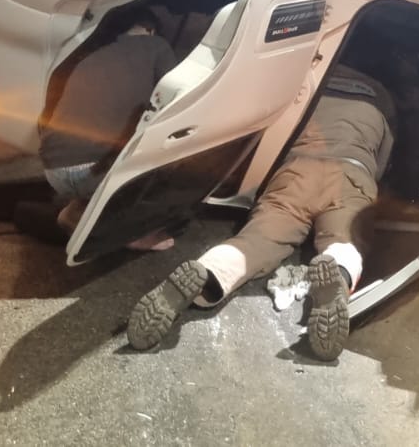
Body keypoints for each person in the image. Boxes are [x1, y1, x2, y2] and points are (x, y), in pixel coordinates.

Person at [126, 64, 397, 361]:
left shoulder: (310, 81)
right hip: (350, 172)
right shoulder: (380, 99)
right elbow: (382, 165)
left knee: (257, 241)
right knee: (347, 238)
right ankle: (338, 272)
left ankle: (208, 273)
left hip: (297, 170)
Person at [28, 7, 179, 251]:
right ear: (149, 30)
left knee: (105, 146)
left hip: (53, 172)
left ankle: (74, 213)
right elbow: (178, 95)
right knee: (167, 158)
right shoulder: (157, 46)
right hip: (93, 173)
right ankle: (130, 234)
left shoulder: (94, 53)